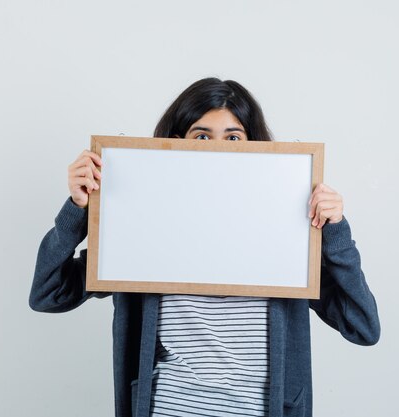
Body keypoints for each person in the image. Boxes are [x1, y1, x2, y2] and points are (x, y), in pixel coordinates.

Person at [29, 78, 380, 417]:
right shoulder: (142, 232)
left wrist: (335, 231)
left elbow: (363, 326)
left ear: (254, 145)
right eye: (201, 135)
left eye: (233, 136)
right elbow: (49, 293)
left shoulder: (285, 241)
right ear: (177, 141)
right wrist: (77, 209)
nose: (217, 148)